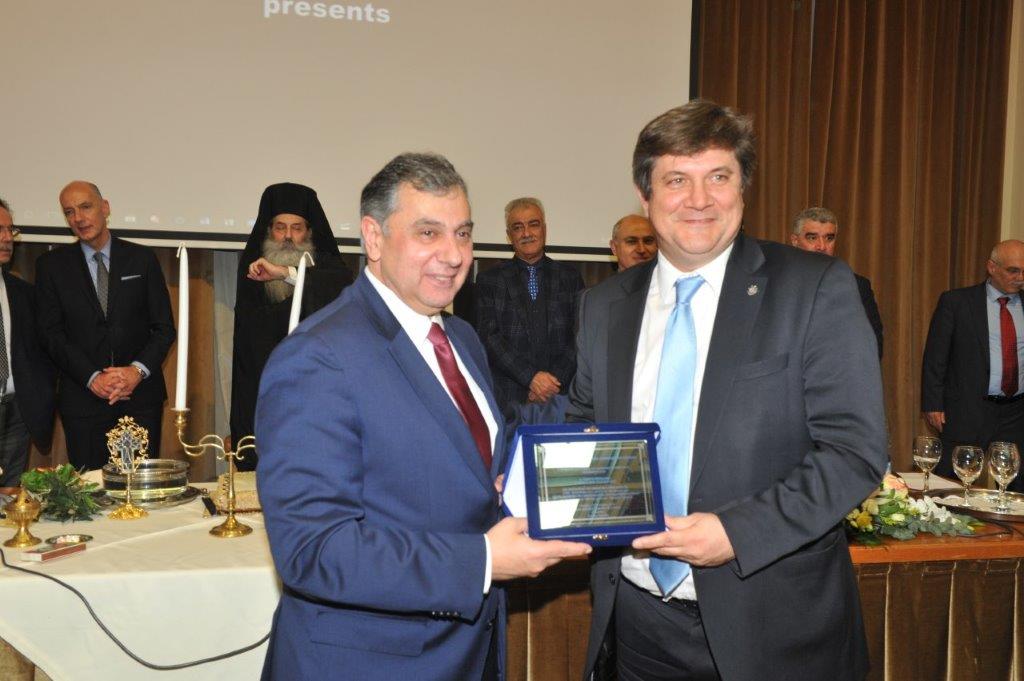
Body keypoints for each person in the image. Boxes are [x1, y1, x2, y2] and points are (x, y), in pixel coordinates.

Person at [571, 100, 887, 681]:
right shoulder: (604, 305)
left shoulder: (814, 287)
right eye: (676, 180)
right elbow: (585, 426)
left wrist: (736, 534)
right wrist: (535, 484)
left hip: (776, 629)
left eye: (718, 177)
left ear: (743, 188)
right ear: (645, 196)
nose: (699, 200)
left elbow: (854, 452)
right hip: (637, 624)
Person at [255, 153, 591, 681]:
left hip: (468, 650)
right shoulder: (316, 356)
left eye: (463, 233)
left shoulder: (461, 338)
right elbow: (313, 549)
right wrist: (482, 561)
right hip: (368, 663)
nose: (454, 255)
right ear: (374, 238)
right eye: (428, 233)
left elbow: (471, 464)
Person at [35, 182, 175, 470]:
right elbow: (51, 335)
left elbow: (163, 328)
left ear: (105, 208)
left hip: (139, 398)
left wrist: (136, 372)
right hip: (83, 400)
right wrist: (92, 377)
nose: (78, 218)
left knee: (137, 486)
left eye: (85, 207)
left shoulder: (142, 259)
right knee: (91, 490)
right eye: (69, 212)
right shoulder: (51, 266)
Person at [230, 182, 352, 467]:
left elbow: (338, 289)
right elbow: (250, 335)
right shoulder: (253, 269)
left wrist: (286, 273)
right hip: (263, 388)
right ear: (269, 230)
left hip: (316, 391)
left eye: (296, 228)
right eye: (280, 227)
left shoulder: (330, 269)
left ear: (309, 232)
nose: (287, 237)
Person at [922, 240, 1024, 488]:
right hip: (968, 408)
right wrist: (933, 403)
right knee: (952, 486)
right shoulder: (957, 302)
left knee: (1015, 488)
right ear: (992, 267)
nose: (1020, 278)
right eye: (1013, 270)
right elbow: (936, 356)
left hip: (1017, 413)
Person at [474, 197, 583, 413]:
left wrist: (551, 383)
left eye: (533, 224)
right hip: (509, 399)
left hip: (562, 396)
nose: (526, 233)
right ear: (509, 236)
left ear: (544, 229)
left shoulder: (570, 277)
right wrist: (531, 379)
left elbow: (581, 335)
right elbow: (489, 338)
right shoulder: (490, 280)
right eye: (518, 227)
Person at [0, 198, 55, 485]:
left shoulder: (22, 292)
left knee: (10, 498)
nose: (8, 238)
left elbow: (38, 353)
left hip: (16, 413)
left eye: (10, 230)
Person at [789, 207, 884, 357]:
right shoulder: (778, 283)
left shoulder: (856, 285)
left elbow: (872, 346)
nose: (822, 246)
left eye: (829, 238)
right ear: (795, 241)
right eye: (812, 238)